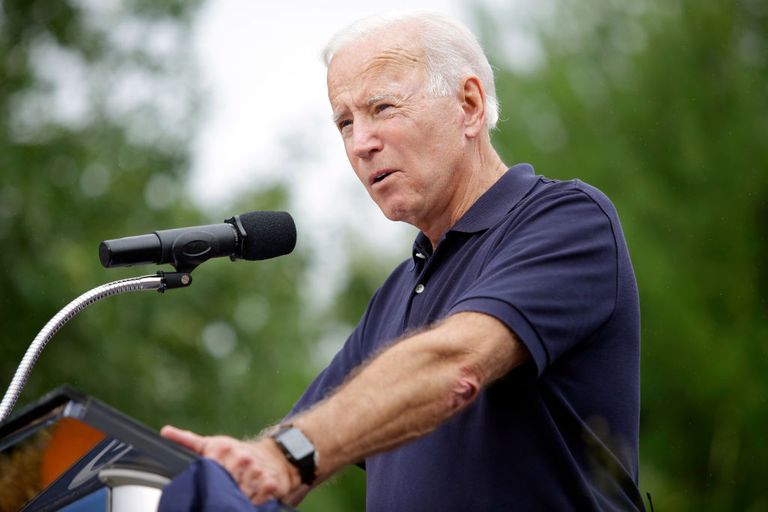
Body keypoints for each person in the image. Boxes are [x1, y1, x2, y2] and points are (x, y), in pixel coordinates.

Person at [162, 10, 646, 511]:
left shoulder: (566, 220)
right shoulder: (397, 292)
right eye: (345, 122)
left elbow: (452, 363)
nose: (360, 143)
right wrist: (237, 467)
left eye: (383, 108)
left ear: (470, 105)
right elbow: (312, 432)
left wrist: (283, 457)